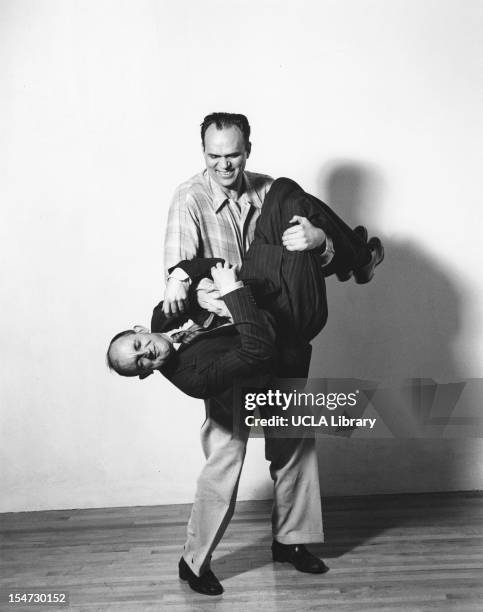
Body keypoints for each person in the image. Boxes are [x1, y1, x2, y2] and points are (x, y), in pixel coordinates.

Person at [107, 174, 383, 595]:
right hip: (240, 363)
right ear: (145, 372)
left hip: (272, 306)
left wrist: (185, 277)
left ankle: (292, 543)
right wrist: (219, 291)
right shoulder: (189, 197)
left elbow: (192, 269)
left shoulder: (163, 315)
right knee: (225, 461)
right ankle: (193, 561)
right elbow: (252, 344)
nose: (148, 352)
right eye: (141, 361)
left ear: (139, 328)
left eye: (140, 343)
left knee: (294, 444)